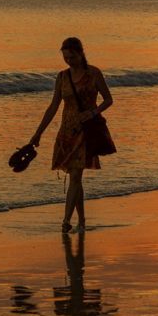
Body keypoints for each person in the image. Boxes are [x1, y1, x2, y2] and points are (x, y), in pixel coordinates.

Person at [30, 37, 113, 233]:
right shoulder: (62, 77)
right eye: (66, 57)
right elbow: (53, 107)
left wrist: (94, 112)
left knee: (76, 175)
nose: (69, 61)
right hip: (66, 131)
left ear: (81, 53)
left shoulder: (94, 73)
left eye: (72, 56)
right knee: (76, 177)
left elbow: (108, 99)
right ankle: (82, 221)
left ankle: (65, 222)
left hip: (86, 131)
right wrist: (37, 133)